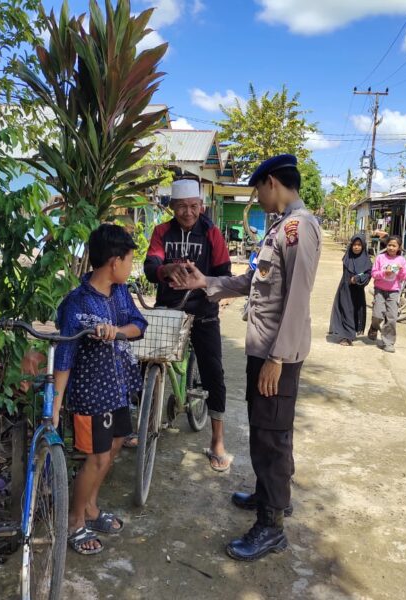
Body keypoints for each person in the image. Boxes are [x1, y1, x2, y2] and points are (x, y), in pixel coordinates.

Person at [171, 154, 321, 561]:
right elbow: (254, 282)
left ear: (272, 182)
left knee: (271, 436)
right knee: (264, 427)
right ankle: (268, 493)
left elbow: (297, 298)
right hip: (264, 347)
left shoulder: (298, 229)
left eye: (257, 189)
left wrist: (279, 357)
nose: (257, 197)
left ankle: (272, 526)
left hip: (276, 352)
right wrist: (206, 282)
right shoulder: (280, 227)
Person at [54, 224, 148, 555]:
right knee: (96, 458)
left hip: (118, 389)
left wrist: (117, 331)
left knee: (116, 444)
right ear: (114, 261)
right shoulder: (76, 304)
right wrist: (55, 406)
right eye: (129, 260)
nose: (130, 267)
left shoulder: (120, 292)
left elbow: (139, 325)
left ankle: (91, 508)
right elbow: (64, 357)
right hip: (91, 395)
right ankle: (75, 521)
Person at [144, 178, 233, 472]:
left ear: (201, 205)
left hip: (204, 312)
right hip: (169, 310)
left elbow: (224, 273)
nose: (188, 212)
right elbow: (150, 266)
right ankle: (144, 423)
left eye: (193, 206)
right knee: (147, 360)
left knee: (213, 372)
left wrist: (207, 285)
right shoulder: (162, 232)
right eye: (181, 206)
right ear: (172, 207)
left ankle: (217, 440)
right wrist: (165, 269)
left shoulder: (211, 233)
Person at [329, 233, 372, 346]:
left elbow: (368, 274)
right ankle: (346, 336)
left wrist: (358, 278)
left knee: (354, 311)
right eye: (354, 244)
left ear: (363, 246)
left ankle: (349, 334)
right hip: (345, 289)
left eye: (359, 245)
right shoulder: (347, 257)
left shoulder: (366, 260)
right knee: (345, 310)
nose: (356, 247)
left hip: (357, 291)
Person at [368, 235, 406, 353]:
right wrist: (384, 273)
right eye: (389, 245)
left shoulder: (401, 260)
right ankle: (374, 326)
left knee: (392, 318)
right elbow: (374, 274)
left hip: (394, 292)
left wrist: (401, 270)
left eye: (394, 246)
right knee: (378, 315)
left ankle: (388, 342)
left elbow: (404, 277)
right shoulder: (380, 258)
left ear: (399, 247)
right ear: (386, 245)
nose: (391, 248)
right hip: (380, 290)